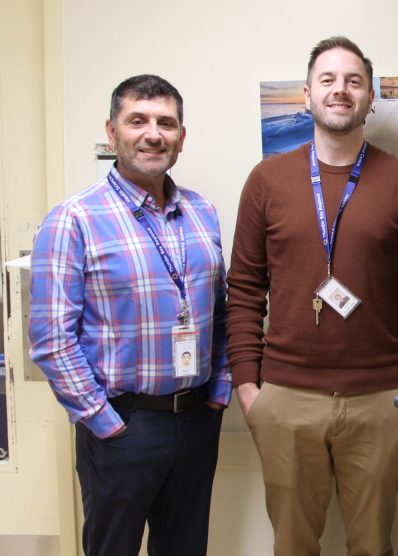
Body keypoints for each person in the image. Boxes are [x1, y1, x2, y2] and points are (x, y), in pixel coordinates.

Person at [227, 36, 398, 556]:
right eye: (328, 80)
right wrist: (250, 390)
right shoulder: (266, 181)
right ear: (307, 95)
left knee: (373, 546)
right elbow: (245, 289)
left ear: (369, 98)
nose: (340, 90)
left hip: (381, 399)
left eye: (353, 81)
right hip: (286, 397)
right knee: (293, 546)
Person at [29, 74, 230, 556]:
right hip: (123, 423)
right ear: (112, 130)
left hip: (196, 418)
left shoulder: (202, 213)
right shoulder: (73, 218)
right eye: (137, 120)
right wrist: (102, 420)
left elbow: (221, 315)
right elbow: (51, 339)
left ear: (182, 135)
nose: (153, 133)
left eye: (166, 122)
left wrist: (219, 391)